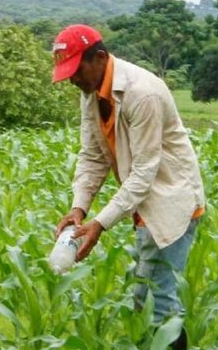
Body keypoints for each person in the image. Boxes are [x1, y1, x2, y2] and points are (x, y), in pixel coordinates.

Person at [51, 24, 206, 350]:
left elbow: (144, 172)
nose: (73, 79)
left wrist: (99, 224)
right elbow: (92, 155)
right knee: (143, 298)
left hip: (170, 201)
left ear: (100, 58)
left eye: (76, 70)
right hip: (143, 204)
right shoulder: (91, 93)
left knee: (159, 301)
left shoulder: (142, 93)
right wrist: (79, 208)